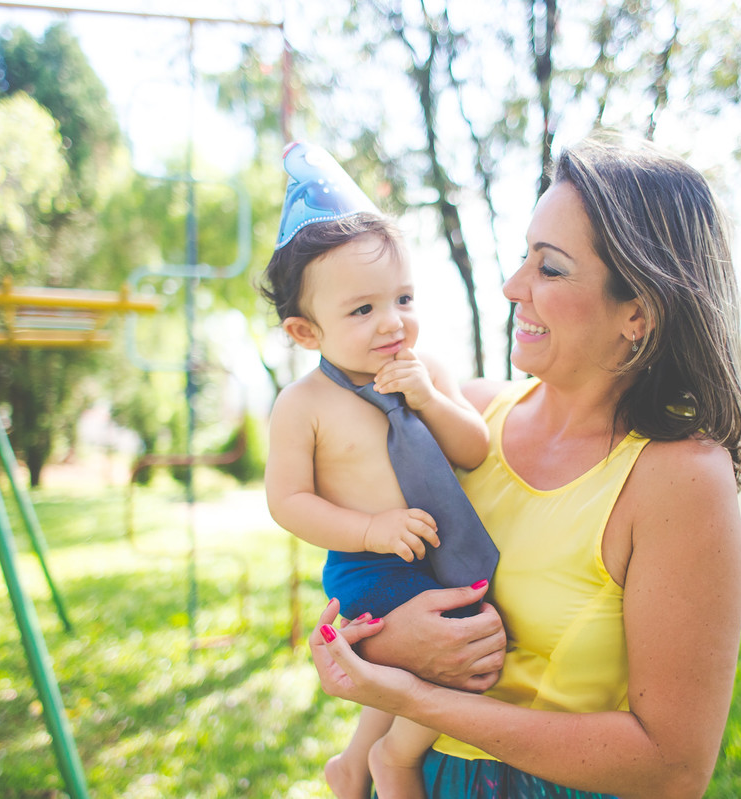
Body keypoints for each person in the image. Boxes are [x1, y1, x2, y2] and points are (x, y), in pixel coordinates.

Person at [309, 129, 741, 799]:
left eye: (549, 268)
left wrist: (417, 697)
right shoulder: (461, 414)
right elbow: (351, 600)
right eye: (525, 256)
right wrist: (381, 644)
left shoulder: (680, 476)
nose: (512, 284)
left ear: (636, 312)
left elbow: (672, 767)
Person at [261, 142, 500, 799]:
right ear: (307, 333)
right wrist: (371, 527)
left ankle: (352, 761)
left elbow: (473, 448)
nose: (392, 321)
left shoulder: (429, 371)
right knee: (453, 650)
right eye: (363, 310)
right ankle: (393, 760)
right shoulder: (305, 405)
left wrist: (427, 398)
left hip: (437, 549)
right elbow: (287, 500)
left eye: (403, 297)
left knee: (458, 644)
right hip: (370, 563)